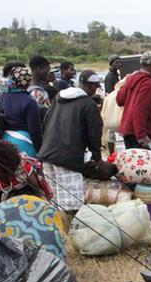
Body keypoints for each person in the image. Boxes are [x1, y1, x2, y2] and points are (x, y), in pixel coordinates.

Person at [38, 70, 104, 212]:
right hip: (67, 158)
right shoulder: (88, 104)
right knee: (71, 204)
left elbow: (45, 121)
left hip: (47, 154)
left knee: (54, 200)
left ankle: (58, 231)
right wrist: (97, 158)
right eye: (96, 87)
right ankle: (70, 233)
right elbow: (94, 133)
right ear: (92, 87)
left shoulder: (58, 98)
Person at [116, 51, 151, 161]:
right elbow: (140, 110)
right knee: (143, 170)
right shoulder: (148, 83)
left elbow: (119, 100)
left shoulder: (131, 79)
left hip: (128, 131)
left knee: (133, 167)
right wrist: (142, 137)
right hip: (139, 133)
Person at [0, 140, 45, 208]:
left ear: (4, 161)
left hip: (30, 200)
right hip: (7, 206)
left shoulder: (22, 167)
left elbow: (37, 190)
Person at [0, 66, 42, 157]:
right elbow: (35, 130)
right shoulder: (30, 102)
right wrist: (40, 149)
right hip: (24, 141)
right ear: (27, 83)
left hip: (4, 140)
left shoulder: (2, 97)